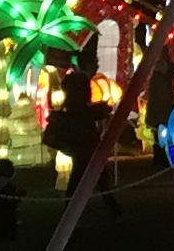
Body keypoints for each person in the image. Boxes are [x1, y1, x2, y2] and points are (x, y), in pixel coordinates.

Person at [47, 54, 124, 219]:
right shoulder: (79, 81)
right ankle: (74, 211)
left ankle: (75, 210)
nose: (97, 66)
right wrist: (98, 110)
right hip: (84, 137)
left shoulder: (78, 80)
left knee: (87, 174)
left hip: (82, 137)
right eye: (94, 63)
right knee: (87, 174)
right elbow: (80, 108)